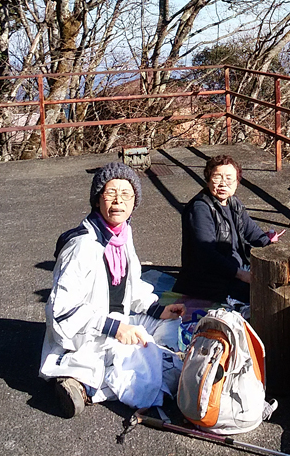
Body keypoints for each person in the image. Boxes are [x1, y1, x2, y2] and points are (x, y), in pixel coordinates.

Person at [39, 162, 185, 417]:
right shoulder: (81, 246)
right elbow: (61, 311)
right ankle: (84, 385)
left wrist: (157, 310)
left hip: (117, 320)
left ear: (134, 202)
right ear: (98, 200)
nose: (119, 201)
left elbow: (133, 284)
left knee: (169, 325)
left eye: (126, 194)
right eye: (111, 193)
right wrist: (114, 328)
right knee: (143, 361)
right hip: (87, 331)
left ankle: (88, 381)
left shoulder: (122, 234)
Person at [174, 154, 278, 303]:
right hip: (210, 279)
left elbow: (253, 232)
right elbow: (206, 254)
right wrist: (241, 274)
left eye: (229, 179)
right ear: (208, 179)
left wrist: (275, 250)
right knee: (266, 294)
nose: (223, 184)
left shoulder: (233, 202)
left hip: (235, 270)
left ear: (237, 182)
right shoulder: (200, 208)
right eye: (217, 178)